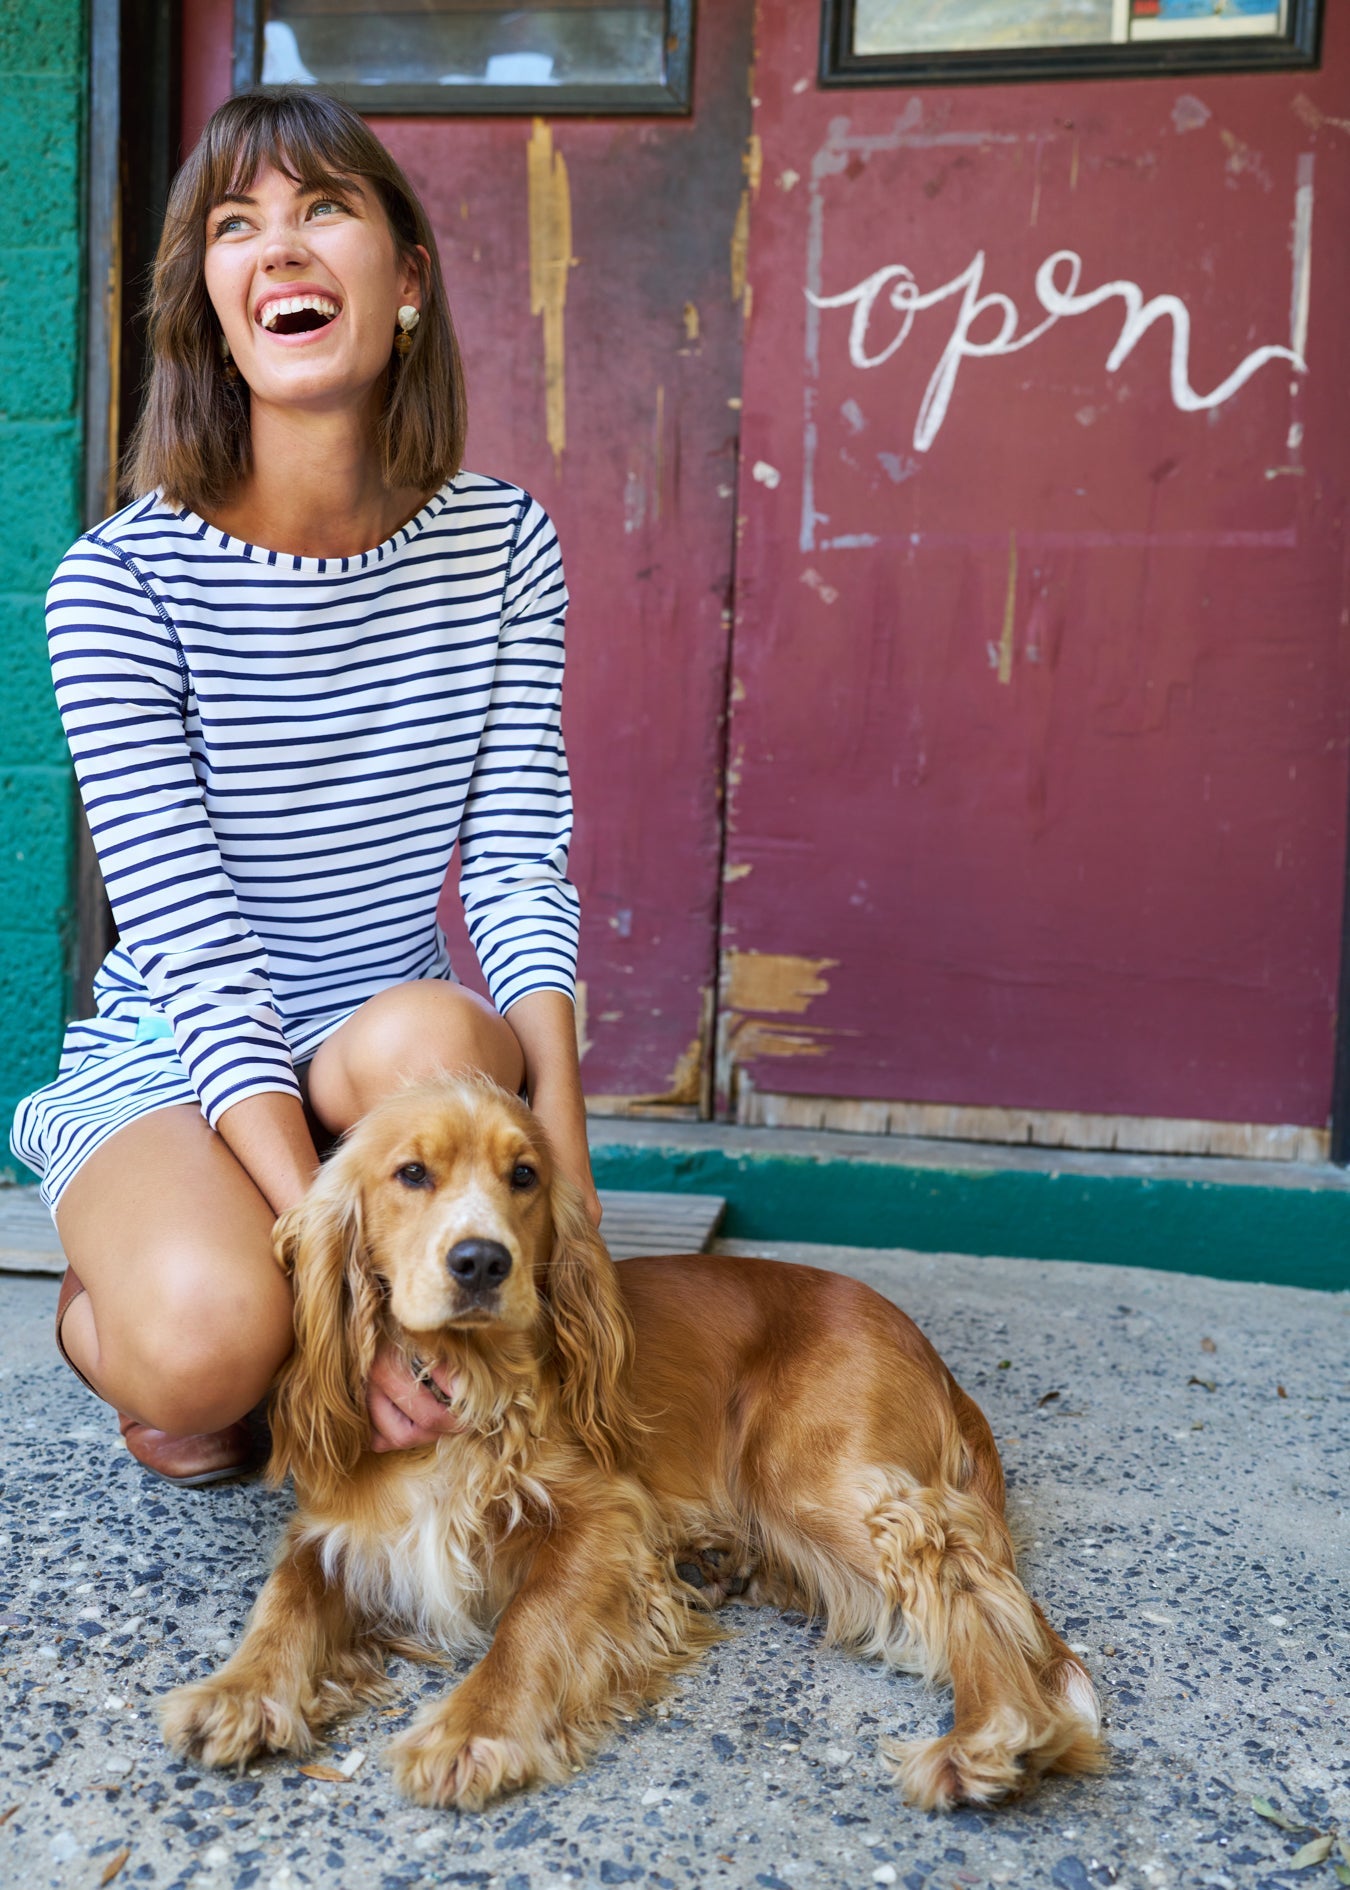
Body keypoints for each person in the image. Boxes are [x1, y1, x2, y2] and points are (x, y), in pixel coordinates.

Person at [9, 86, 599, 1486]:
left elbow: (518, 865)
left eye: (322, 208)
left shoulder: (502, 542)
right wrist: (336, 1286)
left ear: (404, 280)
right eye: (235, 225)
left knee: (433, 1033)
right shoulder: (118, 584)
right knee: (210, 1354)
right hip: (178, 1057)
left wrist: (568, 1182)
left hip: (383, 1042)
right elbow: (199, 960)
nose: (278, 248)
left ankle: (287, 1300)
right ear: (209, 301)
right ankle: (120, 1305)